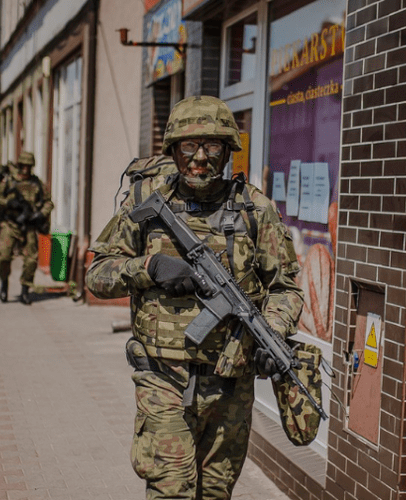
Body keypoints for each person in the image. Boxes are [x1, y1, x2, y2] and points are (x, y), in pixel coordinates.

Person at [85, 95, 304, 500]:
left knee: (215, 494)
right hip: (163, 379)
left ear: (227, 151)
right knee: (173, 491)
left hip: (230, 386)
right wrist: (147, 269)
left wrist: (272, 332)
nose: (200, 158)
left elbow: (285, 290)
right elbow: (97, 275)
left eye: (212, 146)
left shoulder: (255, 210)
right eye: (189, 147)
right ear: (173, 150)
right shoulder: (146, 204)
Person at [0, 152, 53, 305]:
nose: (26, 169)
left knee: (31, 260)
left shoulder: (37, 183)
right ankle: (4, 283)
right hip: (10, 224)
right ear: (19, 165)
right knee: (4, 256)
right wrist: (8, 203)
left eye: (28, 166)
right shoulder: (8, 182)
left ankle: (25, 289)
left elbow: (48, 202)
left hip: (29, 225)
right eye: (23, 165)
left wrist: (40, 214)